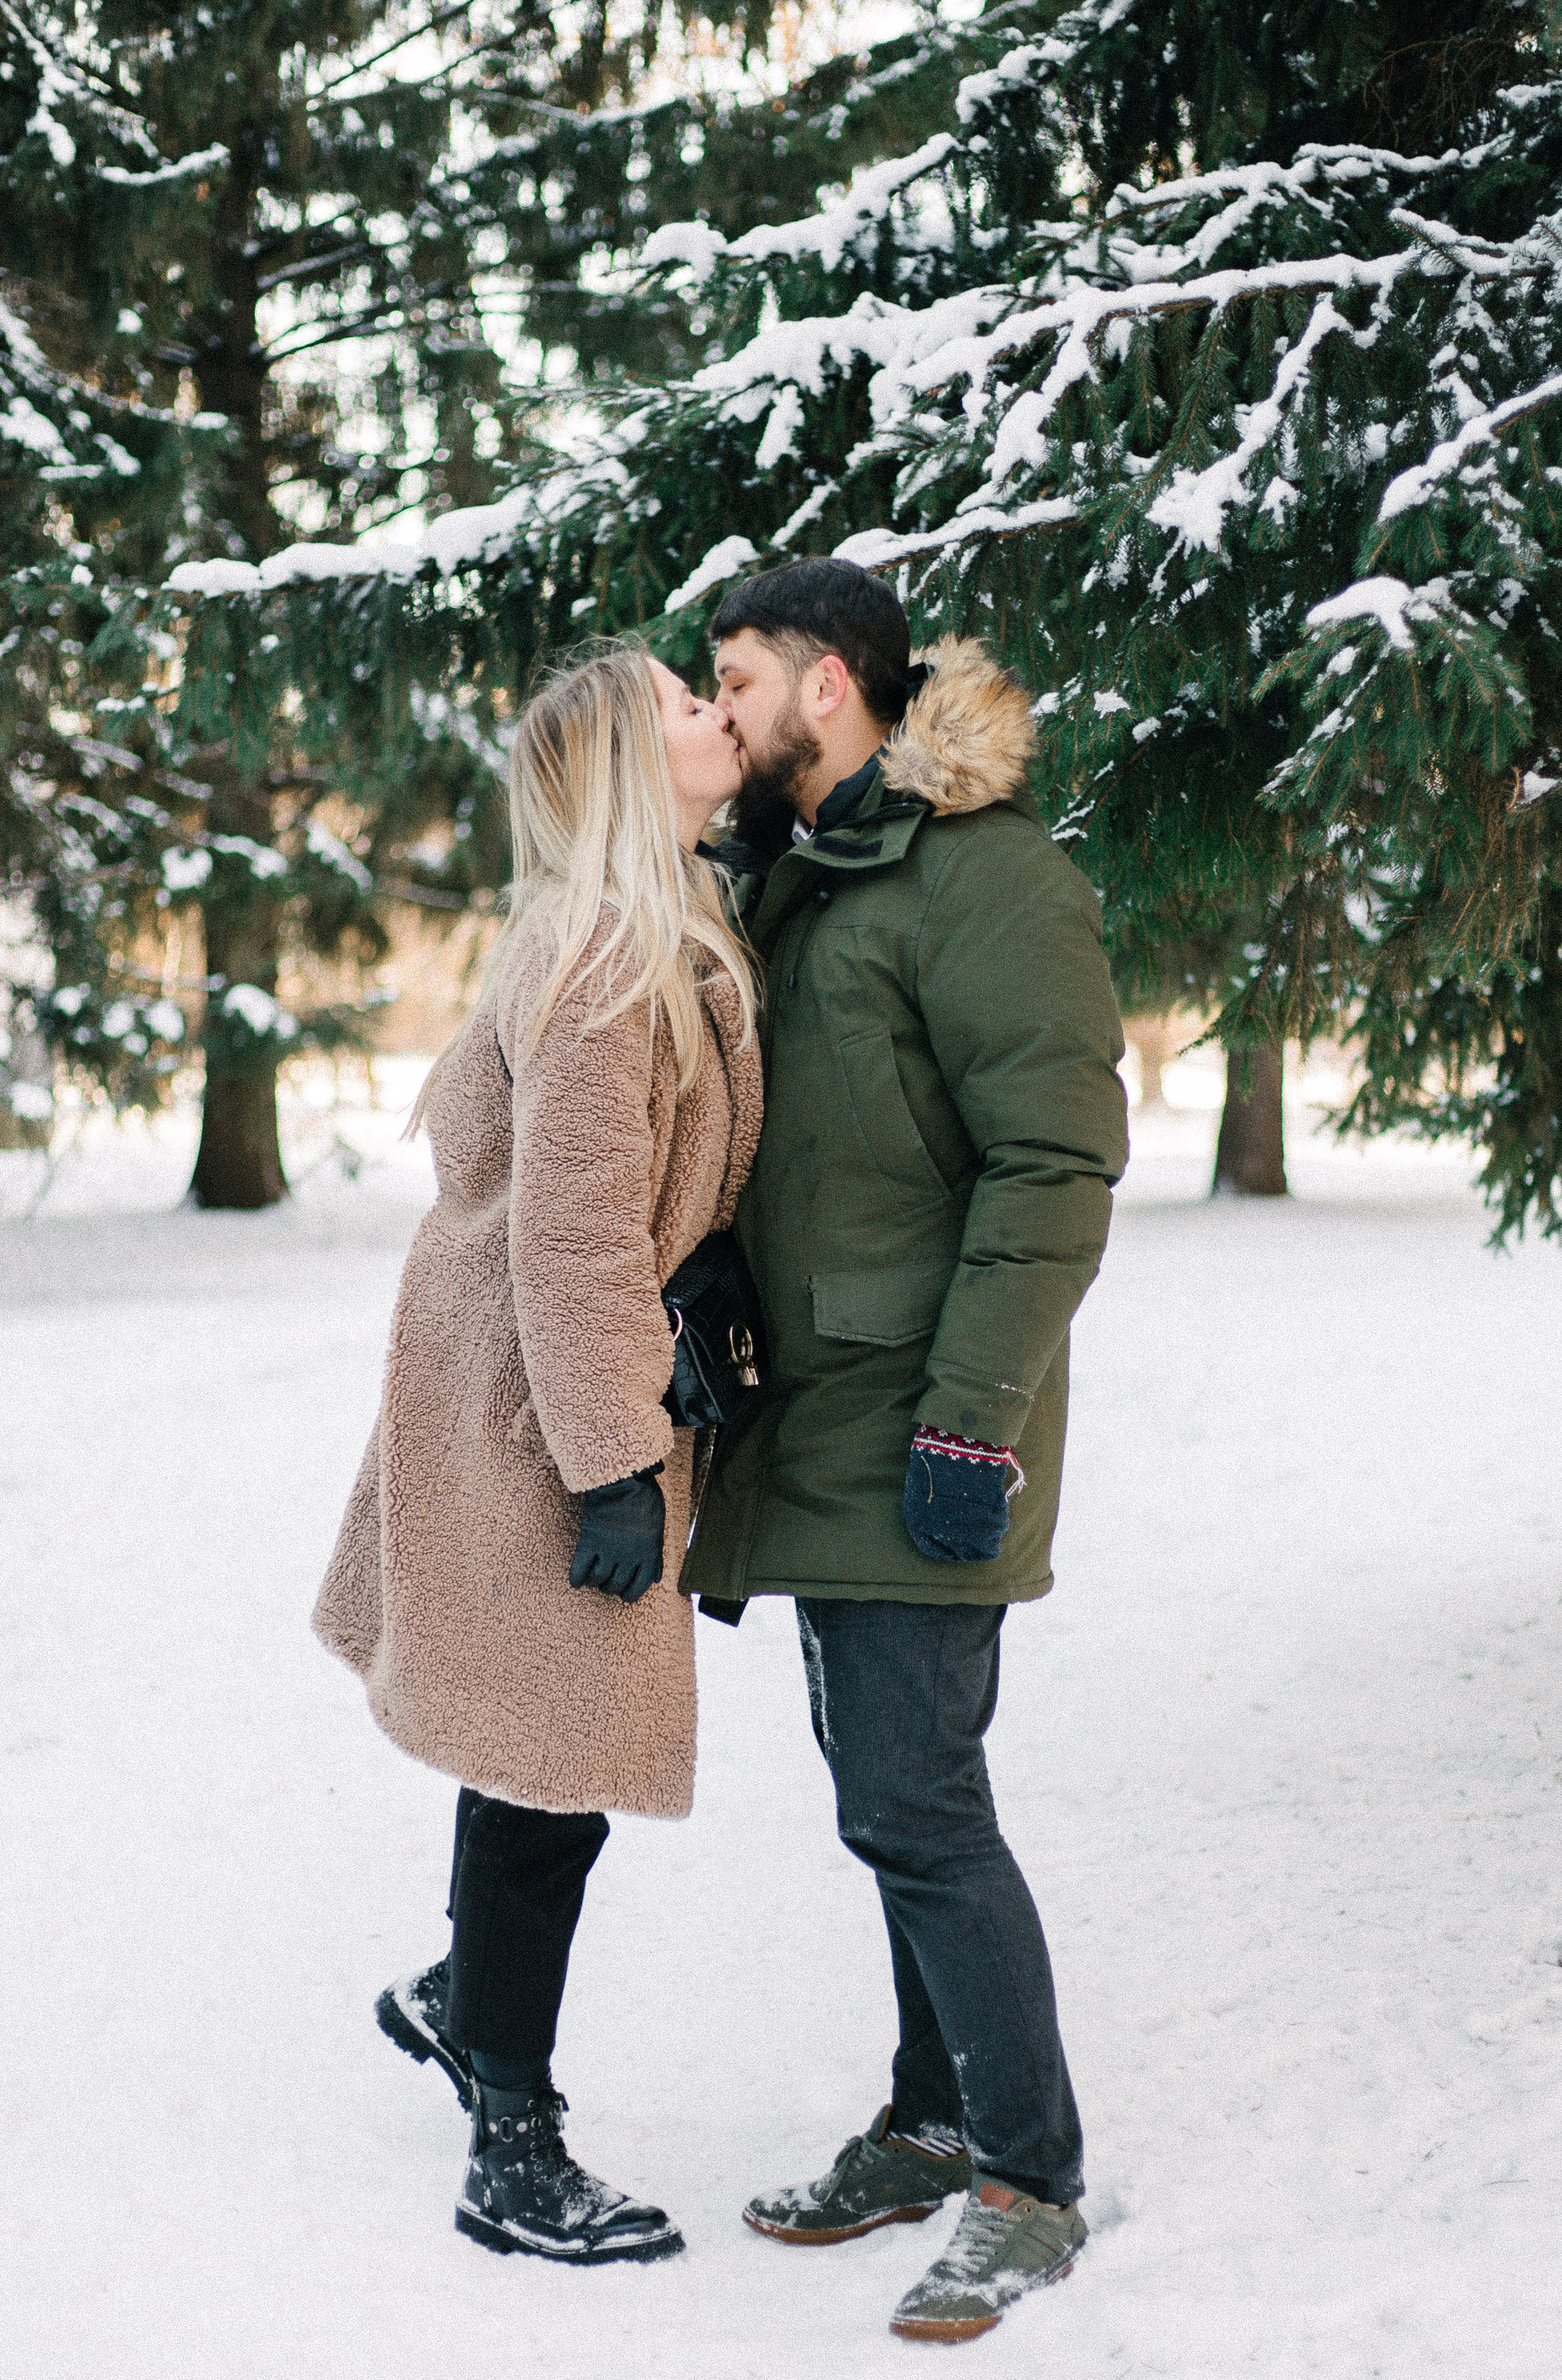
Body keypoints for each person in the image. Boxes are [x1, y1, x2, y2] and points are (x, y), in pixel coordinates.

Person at [683, 558, 1130, 2344]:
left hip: (930, 1417)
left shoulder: (990, 879)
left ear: (830, 690)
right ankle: (933, 2113)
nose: (716, 710)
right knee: (890, 1800)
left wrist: (974, 1420)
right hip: (825, 1407)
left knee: (921, 1804)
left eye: (736, 678)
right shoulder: (804, 879)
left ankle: (1026, 2176)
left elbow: (1053, 1167)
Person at [314, 643, 761, 2266]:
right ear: (635, 768)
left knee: (530, 1728)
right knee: (552, 1760)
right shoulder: (605, 957)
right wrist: (612, 1464)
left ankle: (459, 1996)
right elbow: (571, 1245)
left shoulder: (648, 922)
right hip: (539, 1406)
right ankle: (514, 2142)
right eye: (686, 705)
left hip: (526, 1380)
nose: (719, 715)